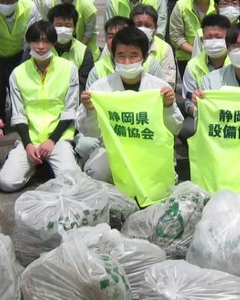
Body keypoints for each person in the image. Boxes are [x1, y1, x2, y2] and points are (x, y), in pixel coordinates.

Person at [77, 26, 183, 183]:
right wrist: (90, 110)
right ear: (112, 56)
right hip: (113, 148)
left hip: (150, 147)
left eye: (134, 56)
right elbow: (90, 132)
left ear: (145, 57)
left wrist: (168, 107)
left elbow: (175, 128)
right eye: (121, 56)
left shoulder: (159, 87)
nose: (127, 62)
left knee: (164, 180)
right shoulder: (100, 87)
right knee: (97, 172)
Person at [0, 22, 80, 193]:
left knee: (71, 185)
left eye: (46, 41)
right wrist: (28, 144)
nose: (41, 46)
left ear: (53, 42)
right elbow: (18, 114)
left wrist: (52, 140)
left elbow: (70, 110)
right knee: (7, 183)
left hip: (58, 138)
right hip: (31, 137)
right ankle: (32, 163)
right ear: (28, 42)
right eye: (36, 41)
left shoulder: (68, 69)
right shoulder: (18, 73)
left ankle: (51, 162)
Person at [180, 13, 230, 135]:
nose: (213, 41)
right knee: (187, 129)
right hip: (202, 115)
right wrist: (205, 115)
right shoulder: (193, 65)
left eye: (218, 37)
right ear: (202, 40)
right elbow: (188, 102)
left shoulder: (237, 62)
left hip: (232, 116)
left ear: (228, 38)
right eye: (209, 37)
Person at [169, 0, 215, 72]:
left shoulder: (218, 5)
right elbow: (176, 36)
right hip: (186, 58)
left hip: (215, 57)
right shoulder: (181, 5)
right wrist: (196, 52)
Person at [48, 3, 95, 90]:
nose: (63, 30)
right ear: (50, 25)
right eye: (58, 25)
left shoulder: (84, 52)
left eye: (68, 26)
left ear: (75, 27)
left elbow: (83, 85)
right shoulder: (39, 48)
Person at [131, 3, 177, 88]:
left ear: (155, 29)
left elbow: (168, 84)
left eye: (148, 25)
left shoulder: (165, 49)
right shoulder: (117, 45)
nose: (142, 29)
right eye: (138, 24)